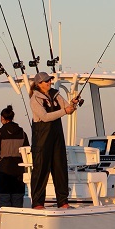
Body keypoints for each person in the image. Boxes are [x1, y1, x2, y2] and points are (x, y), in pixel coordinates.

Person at [29, 72, 78, 209]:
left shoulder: (56, 94)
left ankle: (63, 202)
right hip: (41, 139)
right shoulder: (35, 99)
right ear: (39, 84)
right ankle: (38, 203)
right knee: (41, 170)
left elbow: (68, 108)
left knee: (60, 168)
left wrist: (73, 105)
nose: (49, 83)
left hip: (57, 137)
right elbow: (44, 117)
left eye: (50, 80)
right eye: (46, 81)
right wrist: (65, 111)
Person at [0, 104, 30, 208]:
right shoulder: (23, 133)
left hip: (3, 170)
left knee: (3, 200)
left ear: (2, 118)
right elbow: (27, 150)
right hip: (19, 171)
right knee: (17, 200)